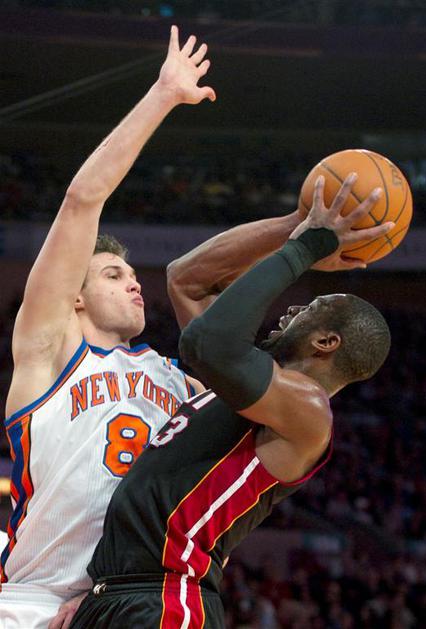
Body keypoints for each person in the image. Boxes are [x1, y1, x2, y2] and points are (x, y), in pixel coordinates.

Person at [0, 26, 333, 629]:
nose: (134, 284)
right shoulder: (49, 352)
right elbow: (82, 200)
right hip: (35, 598)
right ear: (73, 298)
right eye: (112, 274)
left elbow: (206, 297)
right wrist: (164, 95)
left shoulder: (179, 381)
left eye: (133, 274)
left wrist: (301, 226)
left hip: (134, 594)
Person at [69, 174, 393, 628]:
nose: (290, 309)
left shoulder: (309, 412)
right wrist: (298, 224)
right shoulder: (245, 386)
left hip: (168, 600)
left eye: (308, 309)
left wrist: (307, 249)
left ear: (326, 342)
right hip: (116, 593)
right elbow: (186, 279)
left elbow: (208, 342)